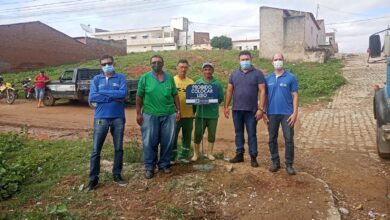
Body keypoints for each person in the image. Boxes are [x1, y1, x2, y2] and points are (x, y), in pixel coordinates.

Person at [86, 55, 128, 191]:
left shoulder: (121, 77)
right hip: (100, 118)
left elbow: (123, 94)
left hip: (118, 118)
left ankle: (117, 174)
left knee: (118, 148)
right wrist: (114, 96)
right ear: (101, 66)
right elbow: (92, 96)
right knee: (95, 150)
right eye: (104, 64)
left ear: (113, 63)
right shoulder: (96, 79)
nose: (107, 65)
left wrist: (103, 93)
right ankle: (93, 179)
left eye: (109, 63)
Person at [136, 54, 181, 179]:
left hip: (169, 114)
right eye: (154, 62)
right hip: (150, 115)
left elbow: (175, 95)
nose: (156, 64)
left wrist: (178, 111)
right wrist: (138, 113)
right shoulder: (144, 78)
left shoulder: (169, 78)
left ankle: (164, 164)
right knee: (149, 141)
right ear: (150, 64)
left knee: (168, 141)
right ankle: (150, 167)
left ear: (163, 63)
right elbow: (139, 96)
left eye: (159, 62)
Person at [224, 51, 266, 167]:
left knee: (252, 133)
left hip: (252, 111)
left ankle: (253, 157)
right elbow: (229, 90)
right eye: (242, 60)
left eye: (247, 59)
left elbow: (263, 91)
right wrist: (226, 106)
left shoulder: (258, 74)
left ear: (251, 59)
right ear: (239, 61)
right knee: (238, 133)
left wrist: (261, 109)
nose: (245, 61)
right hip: (237, 110)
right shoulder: (234, 74)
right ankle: (239, 154)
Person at [263, 53, 299, 175]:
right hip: (271, 113)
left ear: (283, 61)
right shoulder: (268, 79)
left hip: (287, 114)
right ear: (272, 62)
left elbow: (295, 95)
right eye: (276, 59)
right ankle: (275, 162)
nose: (278, 61)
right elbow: (264, 96)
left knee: (288, 139)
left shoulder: (291, 77)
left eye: (280, 59)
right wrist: (263, 112)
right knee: (272, 138)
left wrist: (295, 113)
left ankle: (289, 164)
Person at [192, 62, 224, 161]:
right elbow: (193, 98)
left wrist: (211, 102)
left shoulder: (217, 83)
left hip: (212, 114)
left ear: (212, 71)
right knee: (197, 134)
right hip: (200, 114)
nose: (207, 71)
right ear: (203, 71)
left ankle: (209, 153)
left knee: (211, 134)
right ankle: (195, 154)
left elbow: (220, 98)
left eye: (209, 69)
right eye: (205, 69)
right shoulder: (198, 82)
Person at [172, 59, 194, 164]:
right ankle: (172, 157)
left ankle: (183, 156)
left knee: (187, 137)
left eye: (185, 67)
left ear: (188, 68)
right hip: (175, 115)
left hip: (189, 116)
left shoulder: (191, 82)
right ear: (177, 68)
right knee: (173, 137)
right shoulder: (172, 81)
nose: (183, 69)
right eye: (181, 67)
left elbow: (196, 99)